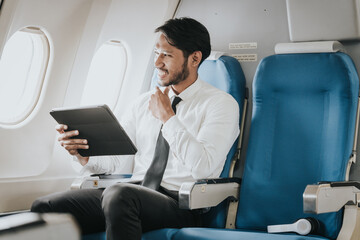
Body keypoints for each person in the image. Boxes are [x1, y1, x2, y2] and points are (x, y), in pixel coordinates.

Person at [31, 17, 239, 240]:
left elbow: (203, 168)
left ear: (194, 58)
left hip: (180, 203)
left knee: (120, 195)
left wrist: (168, 118)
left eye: (167, 55)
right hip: (130, 194)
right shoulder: (143, 102)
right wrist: (84, 155)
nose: (157, 62)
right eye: (156, 53)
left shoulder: (221, 104)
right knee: (46, 206)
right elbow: (116, 161)